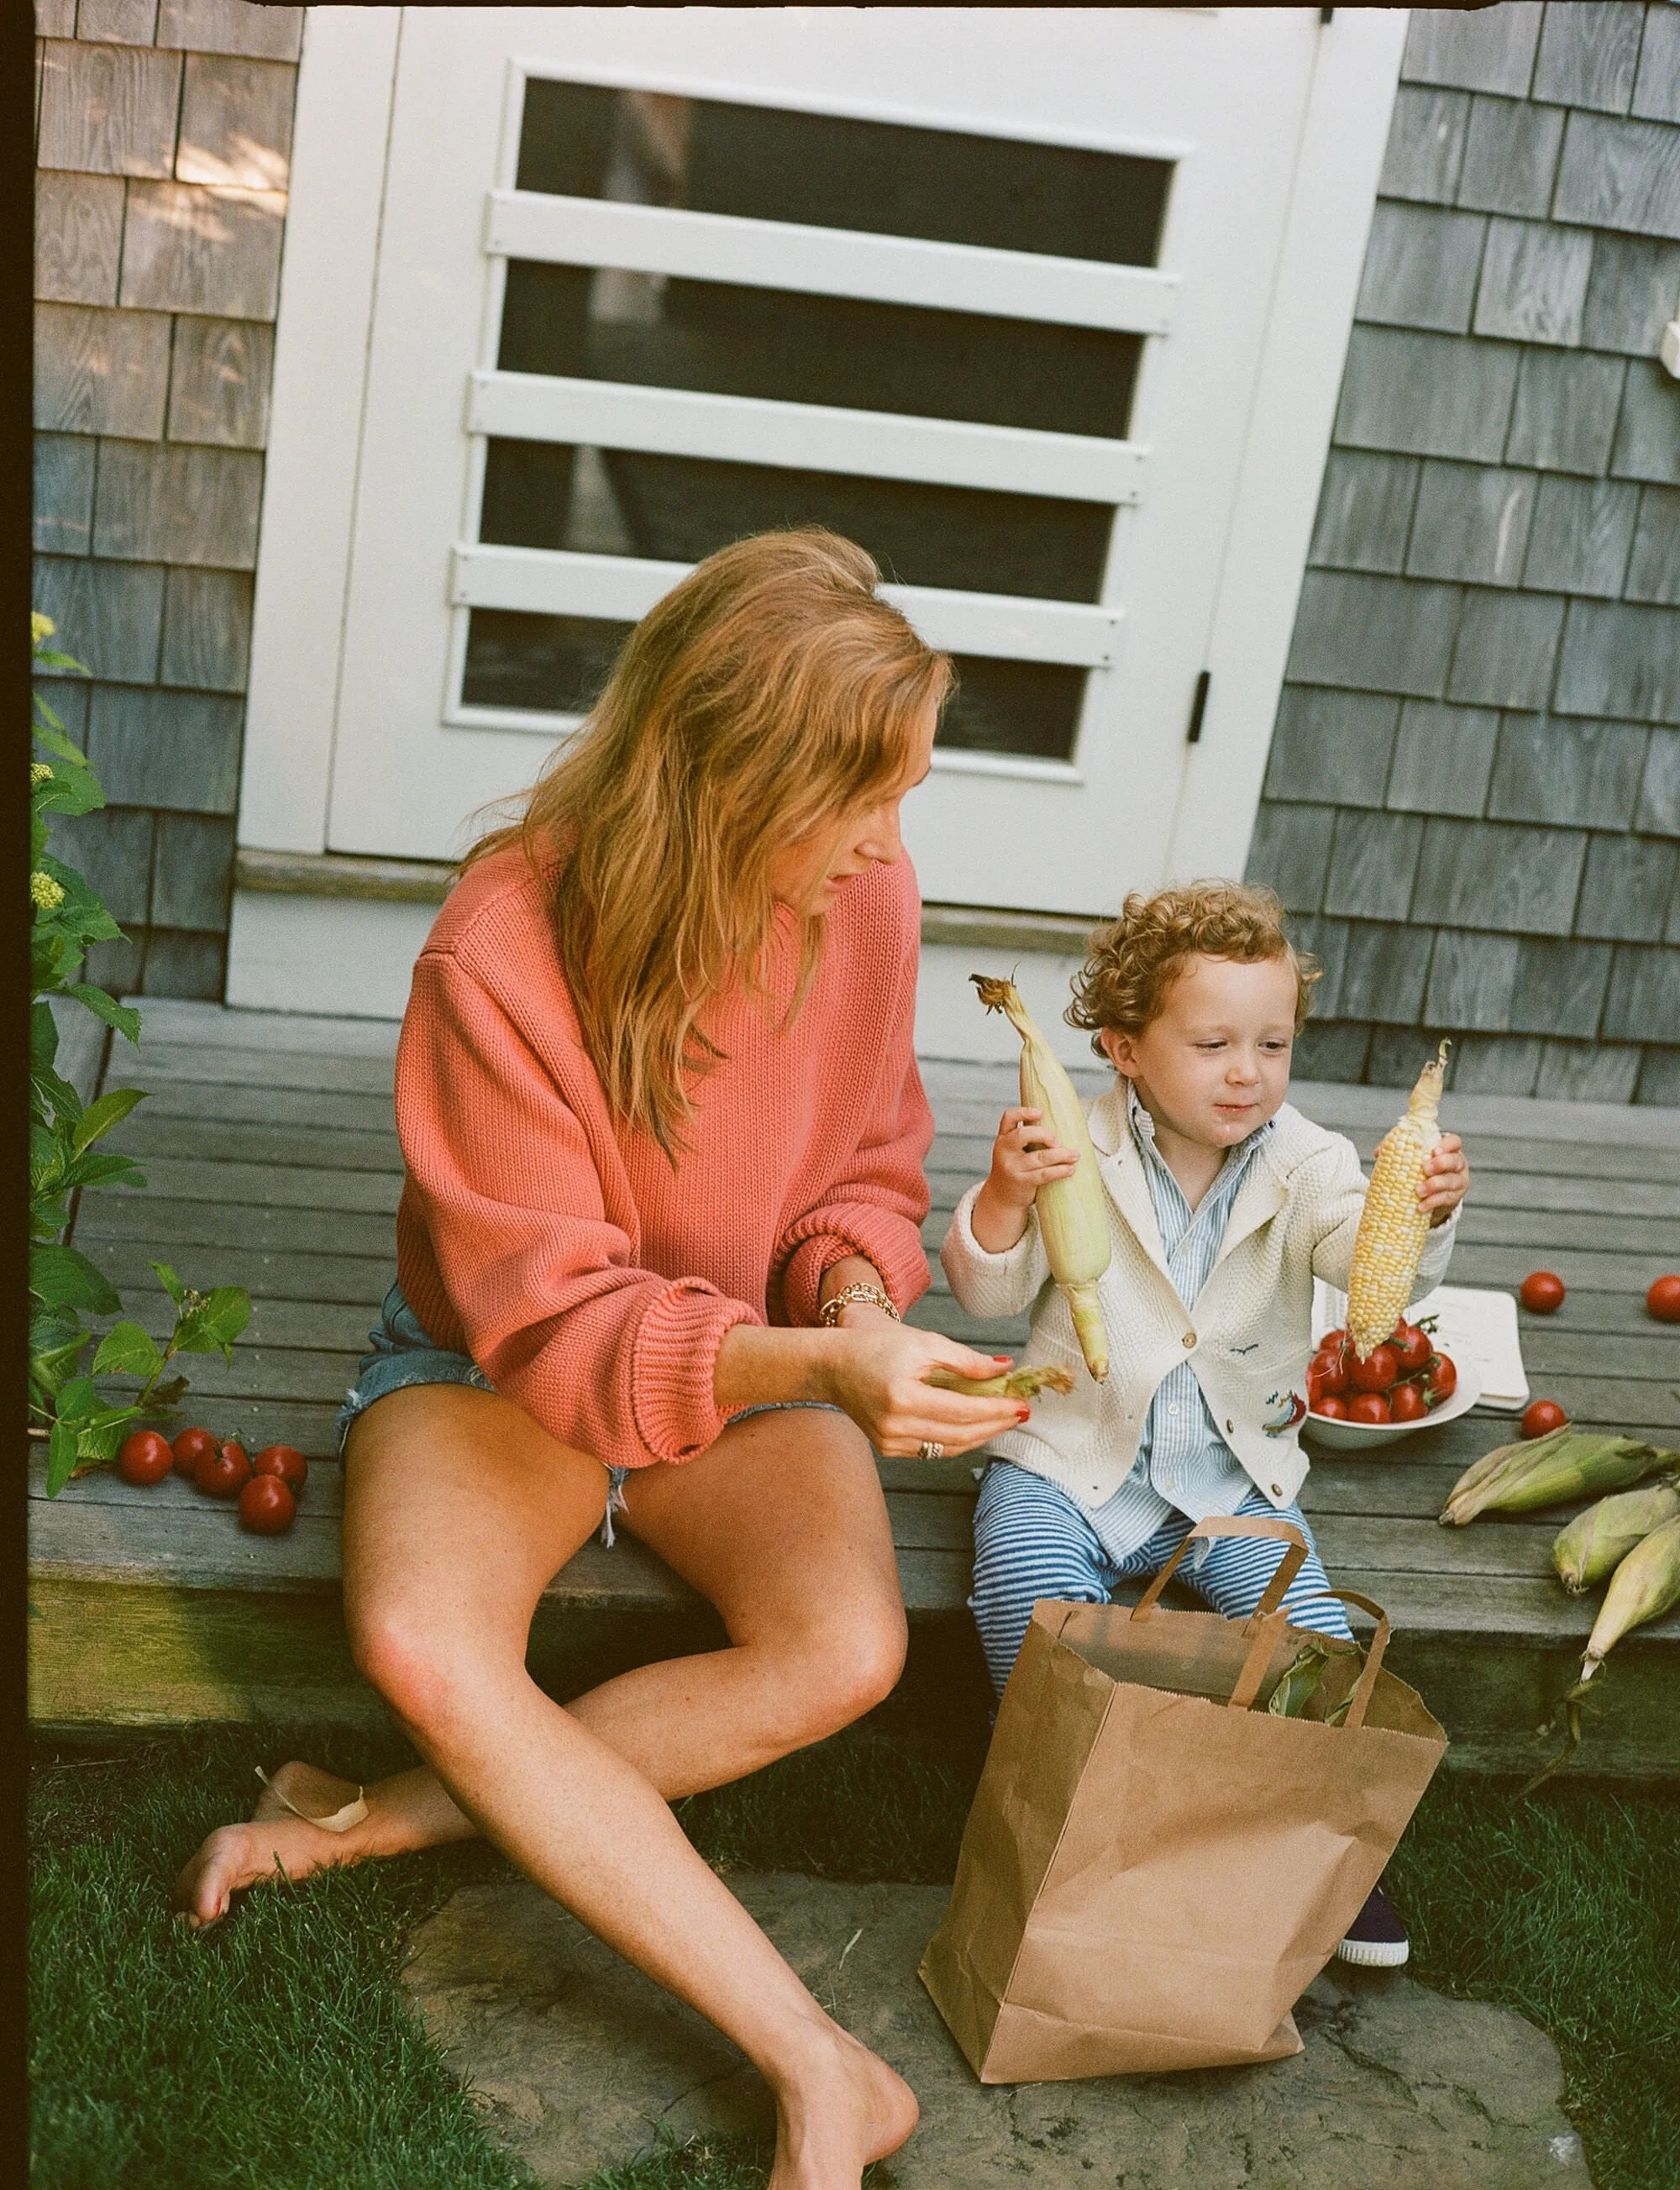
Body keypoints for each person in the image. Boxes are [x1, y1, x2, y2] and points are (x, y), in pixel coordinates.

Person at [174, 531, 1039, 2190]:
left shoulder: (860, 894)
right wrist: (818, 1364)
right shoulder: (501, 947)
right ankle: (818, 2061)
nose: (888, 845)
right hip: (502, 1362)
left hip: (754, 1351)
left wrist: (854, 1303)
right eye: (861, 800)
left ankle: (373, 1819)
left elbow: (861, 1158)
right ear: (727, 785)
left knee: (845, 1644)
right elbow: (560, 1333)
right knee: (423, 1634)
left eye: (906, 796)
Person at [940, 880, 1471, 1968]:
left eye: (1272, 1043)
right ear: (1125, 1047)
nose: (1248, 1071)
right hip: (1071, 1459)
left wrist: (1417, 1206)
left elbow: (1351, 1258)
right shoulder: (1073, 1143)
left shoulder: (1308, 1161)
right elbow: (990, 1296)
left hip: (1232, 1474)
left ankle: (1316, 1850)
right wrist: (1001, 1195)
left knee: (1313, 1640)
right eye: (1215, 1042)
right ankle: (1056, 1809)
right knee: (1028, 1604)